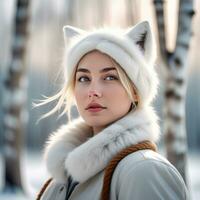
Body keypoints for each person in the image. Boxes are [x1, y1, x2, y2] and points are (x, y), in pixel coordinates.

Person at [37, 21, 188, 200]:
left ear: (135, 91)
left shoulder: (144, 171)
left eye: (109, 77)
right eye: (84, 78)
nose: (93, 91)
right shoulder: (61, 178)